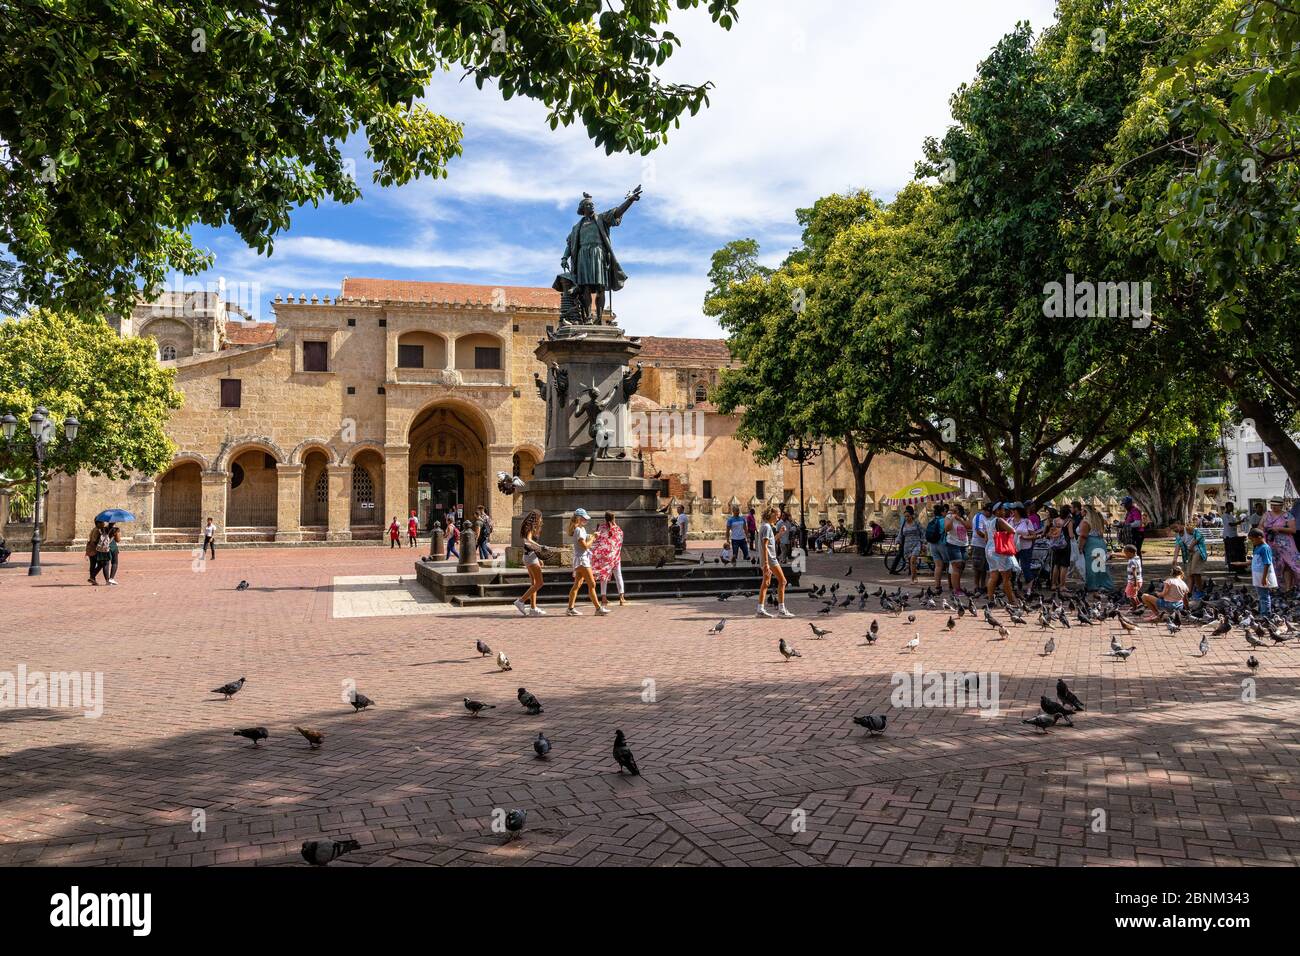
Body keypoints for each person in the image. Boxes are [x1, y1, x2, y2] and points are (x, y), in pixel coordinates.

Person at [566, 509, 606, 615]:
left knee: (577, 584)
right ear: (579, 518)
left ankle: (570, 608)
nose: (586, 520)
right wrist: (593, 539)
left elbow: (586, 539)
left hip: (580, 559)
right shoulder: (578, 529)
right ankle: (598, 608)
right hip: (582, 560)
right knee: (591, 584)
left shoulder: (580, 529)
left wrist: (592, 536)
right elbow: (585, 546)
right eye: (584, 518)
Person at [757, 505, 794, 618]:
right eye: (777, 516)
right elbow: (765, 545)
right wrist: (767, 563)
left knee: (766, 583)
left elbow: (771, 541)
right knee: (783, 581)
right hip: (770, 559)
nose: (778, 519)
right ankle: (782, 610)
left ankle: (760, 609)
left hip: (766, 558)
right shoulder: (767, 527)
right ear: (772, 514)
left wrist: (780, 533)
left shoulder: (765, 526)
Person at [984, 502, 1020, 605]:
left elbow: (986, 538)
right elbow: (1012, 530)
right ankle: (1011, 600)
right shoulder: (1000, 520)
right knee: (1006, 576)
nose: (1005, 511)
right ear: (998, 511)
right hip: (999, 550)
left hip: (989, 549)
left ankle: (990, 599)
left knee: (993, 575)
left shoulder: (988, 522)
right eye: (1003, 510)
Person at [590, 511, 627, 608]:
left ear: (605, 518)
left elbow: (596, 541)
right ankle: (621, 598)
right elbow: (620, 541)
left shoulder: (601, 528)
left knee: (604, 576)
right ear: (614, 518)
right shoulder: (618, 529)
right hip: (615, 556)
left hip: (604, 557)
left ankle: (604, 598)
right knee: (618, 575)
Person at [1261, 497, 1298, 592]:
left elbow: (1293, 530)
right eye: (1272, 505)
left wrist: (1278, 528)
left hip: (1286, 544)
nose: (1273, 507)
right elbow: (1260, 526)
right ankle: (1276, 587)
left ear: (1281, 506)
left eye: (1276, 505)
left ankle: (1288, 587)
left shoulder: (1288, 515)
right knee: (1275, 565)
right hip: (1271, 543)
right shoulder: (1266, 515)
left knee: (1289, 565)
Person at [514, 510, 548, 616]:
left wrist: (538, 557)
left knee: (534, 584)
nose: (541, 520)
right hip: (530, 557)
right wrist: (540, 547)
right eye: (540, 517)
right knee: (539, 583)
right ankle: (520, 601)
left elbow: (530, 544)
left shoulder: (529, 527)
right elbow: (528, 540)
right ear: (536, 518)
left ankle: (533, 608)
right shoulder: (529, 527)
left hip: (529, 556)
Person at [1078, 505, 1114, 592]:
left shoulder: (1085, 522)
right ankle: (1104, 584)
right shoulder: (1098, 520)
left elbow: (1083, 536)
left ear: (1086, 512)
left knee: (1091, 566)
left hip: (1091, 544)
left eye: (1082, 510)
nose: (1081, 512)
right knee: (1100, 565)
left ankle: (1093, 585)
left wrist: (1080, 547)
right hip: (1100, 542)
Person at [1172, 519, 1208, 597]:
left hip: (1198, 550)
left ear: (1179, 524)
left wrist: (1191, 545)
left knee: (1195, 570)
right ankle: (1188, 593)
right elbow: (1177, 548)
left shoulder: (1188, 529)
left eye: (1175, 527)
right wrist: (1175, 559)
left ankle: (1200, 591)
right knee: (1189, 573)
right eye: (1173, 529)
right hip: (1190, 554)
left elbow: (1199, 536)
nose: (1175, 530)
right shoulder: (1178, 536)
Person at [1249, 527, 1277, 614]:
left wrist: (1264, 577)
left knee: (1264, 596)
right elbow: (1256, 561)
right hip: (1258, 575)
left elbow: (1267, 563)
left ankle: (1266, 615)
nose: (1252, 542)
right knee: (1261, 596)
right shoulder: (1258, 547)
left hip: (1263, 576)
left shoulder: (1265, 548)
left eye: (1253, 540)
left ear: (1260, 537)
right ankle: (1262, 612)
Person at [944, 503, 970, 595]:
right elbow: (947, 529)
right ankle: (956, 589)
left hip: (963, 544)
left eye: (955, 510)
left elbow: (969, 526)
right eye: (952, 510)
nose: (953, 511)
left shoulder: (964, 517)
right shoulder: (948, 517)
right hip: (952, 544)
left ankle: (958, 587)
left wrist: (960, 519)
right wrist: (952, 518)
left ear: (960, 511)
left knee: (961, 566)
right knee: (956, 566)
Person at [926, 503, 950, 593]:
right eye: (945, 511)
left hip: (932, 545)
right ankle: (951, 584)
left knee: (938, 566)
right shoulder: (943, 520)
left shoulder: (931, 520)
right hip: (942, 544)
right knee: (949, 565)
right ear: (942, 512)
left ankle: (937, 586)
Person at [970, 501, 993, 593]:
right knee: (978, 567)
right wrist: (988, 538)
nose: (990, 514)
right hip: (979, 545)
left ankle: (983, 585)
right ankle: (976, 585)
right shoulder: (979, 517)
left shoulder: (990, 518)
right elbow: (978, 531)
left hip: (987, 546)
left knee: (985, 568)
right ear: (985, 510)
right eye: (989, 512)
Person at [896, 506, 923, 583]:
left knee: (913, 560)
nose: (906, 518)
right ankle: (915, 576)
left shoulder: (916, 523)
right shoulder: (903, 524)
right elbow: (900, 534)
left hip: (916, 543)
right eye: (905, 516)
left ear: (912, 515)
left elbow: (923, 532)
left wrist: (923, 542)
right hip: (907, 545)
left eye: (908, 516)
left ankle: (912, 579)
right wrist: (898, 540)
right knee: (911, 563)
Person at [1222, 502, 1246, 571]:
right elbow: (1230, 524)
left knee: (1236, 552)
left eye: (1232, 506)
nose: (1232, 508)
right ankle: (1231, 566)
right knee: (1230, 552)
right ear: (1227, 507)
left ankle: (1237, 566)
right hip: (1228, 536)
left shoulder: (1231, 515)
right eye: (1230, 506)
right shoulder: (1225, 515)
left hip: (1234, 535)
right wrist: (1240, 522)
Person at [86, 519, 110, 585]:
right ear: (98, 523)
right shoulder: (97, 530)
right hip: (94, 549)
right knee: (101, 564)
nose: (104, 523)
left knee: (93, 564)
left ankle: (92, 579)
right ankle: (92, 577)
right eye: (102, 522)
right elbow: (94, 541)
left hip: (90, 549)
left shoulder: (94, 529)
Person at [1122, 544, 1142, 608]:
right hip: (1138, 580)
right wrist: (1113, 554)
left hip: (1133, 582)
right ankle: (1139, 605)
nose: (1125, 555)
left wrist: (1135, 584)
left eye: (1126, 553)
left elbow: (1134, 573)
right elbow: (1126, 557)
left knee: (1130, 595)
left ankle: (1135, 607)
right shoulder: (1137, 558)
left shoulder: (1132, 561)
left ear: (1130, 553)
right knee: (1133, 595)